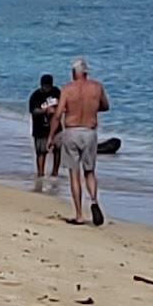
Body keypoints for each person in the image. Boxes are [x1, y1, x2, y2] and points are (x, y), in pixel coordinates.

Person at [50, 57, 109, 225]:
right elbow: (105, 106)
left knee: (74, 173)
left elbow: (58, 114)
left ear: (73, 73)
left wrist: (51, 136)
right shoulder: (96, 88)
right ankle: (94, 201)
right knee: (89, 172)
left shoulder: (68, 90)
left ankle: (79, 214)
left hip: (72, 131)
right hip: (89, 132)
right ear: (86, 72)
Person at [28, 73, 62, 178]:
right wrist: (45, 110)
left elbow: (63, 105)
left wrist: (56, 111)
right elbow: (33, 111)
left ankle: (55, 172)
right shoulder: (35, 96)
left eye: (49, 86)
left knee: (58, 149)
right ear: (41, 85)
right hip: (40, 128)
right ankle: (40, 173)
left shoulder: (56, 92)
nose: (47, 88)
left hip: (55, 127)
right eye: (45, 86)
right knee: (41, 152)